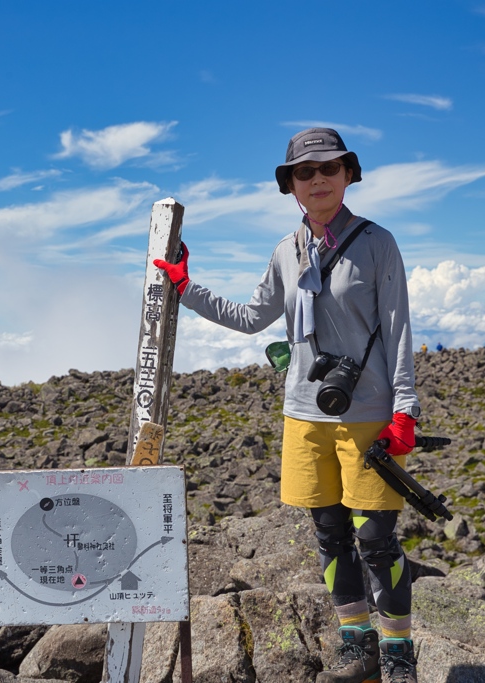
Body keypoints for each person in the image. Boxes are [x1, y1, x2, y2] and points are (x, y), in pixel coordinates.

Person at [155, 127, 421, 682]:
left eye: (330, 168)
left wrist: (405, 409)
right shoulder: (286, 251)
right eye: (305, 172)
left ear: (349, 174)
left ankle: (398, 655)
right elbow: (253, 317)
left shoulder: (377, 244)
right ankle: (357, 646)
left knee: (375, 538)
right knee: (329, 534)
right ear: (291, 185)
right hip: (304, 412)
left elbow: (397, 328)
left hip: (368, 413)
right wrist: (185, 287)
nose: (318, 179)